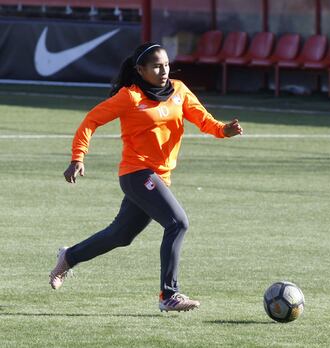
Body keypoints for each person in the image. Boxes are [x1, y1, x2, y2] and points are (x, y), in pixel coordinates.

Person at [49, 42, 243, 312]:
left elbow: (204, 120)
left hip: (159, 177)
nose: (163, 70)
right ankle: (169, 295)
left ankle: (68, 257)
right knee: (178, 222)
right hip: (136, 173)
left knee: (120, 235)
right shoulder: (130, 97)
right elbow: (90, 120)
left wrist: (224, 130)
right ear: (140, 70)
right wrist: (78, 157)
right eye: (156, 66)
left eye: (165, 64)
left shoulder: (179, 91)